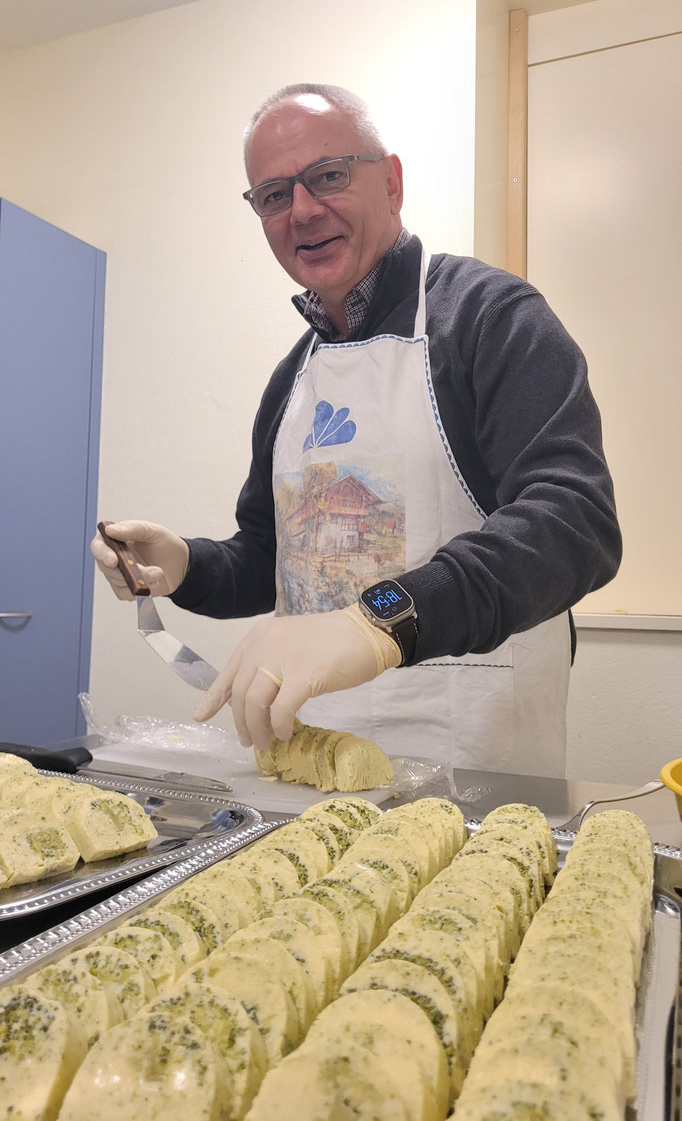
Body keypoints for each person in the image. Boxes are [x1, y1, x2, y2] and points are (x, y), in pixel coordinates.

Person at [92, 83, 621, 776]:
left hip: (474, 771)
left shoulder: (489, 317)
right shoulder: (294, 378)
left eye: (329, 176)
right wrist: (184, 563)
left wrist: (376, 622)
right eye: (274, 195)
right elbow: (271, 561)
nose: (302, 211)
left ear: (392, 182)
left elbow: (574, 525)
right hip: (313, 767)